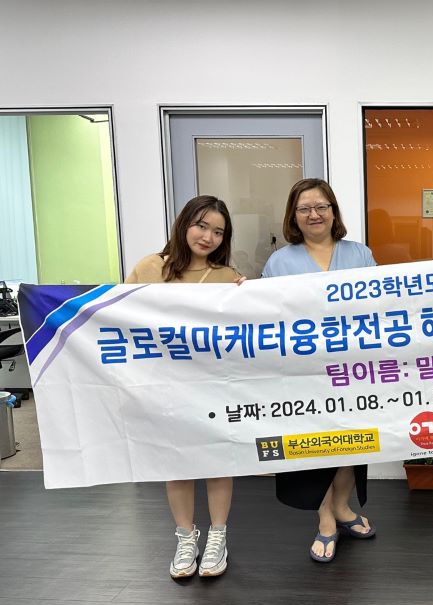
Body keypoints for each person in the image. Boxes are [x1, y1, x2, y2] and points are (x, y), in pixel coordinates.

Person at [125, 195, 245, 579]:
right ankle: (185, 537)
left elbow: (244, 328)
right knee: (176, 461)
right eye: (201, 226)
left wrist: (251, 296)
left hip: (212, 385)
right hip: (165, 385)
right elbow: (118, 318)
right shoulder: (149, 268)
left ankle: (218, 536)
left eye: (218, 232)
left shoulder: (227, 277)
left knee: (216, 460)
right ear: (184, 224)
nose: (208, 237)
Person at [262, 178, 377, 562]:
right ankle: (326, 518)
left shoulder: (360, 254)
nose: (314, 214)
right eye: (305, 208)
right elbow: (263, 313)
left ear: (333, 211)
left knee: (354, 440)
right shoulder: (280, 262)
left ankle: (342, 506)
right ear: (293, 216)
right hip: (304, 372)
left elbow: (382, 303)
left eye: (321, 206)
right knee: (316, 445)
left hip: (353, 368)